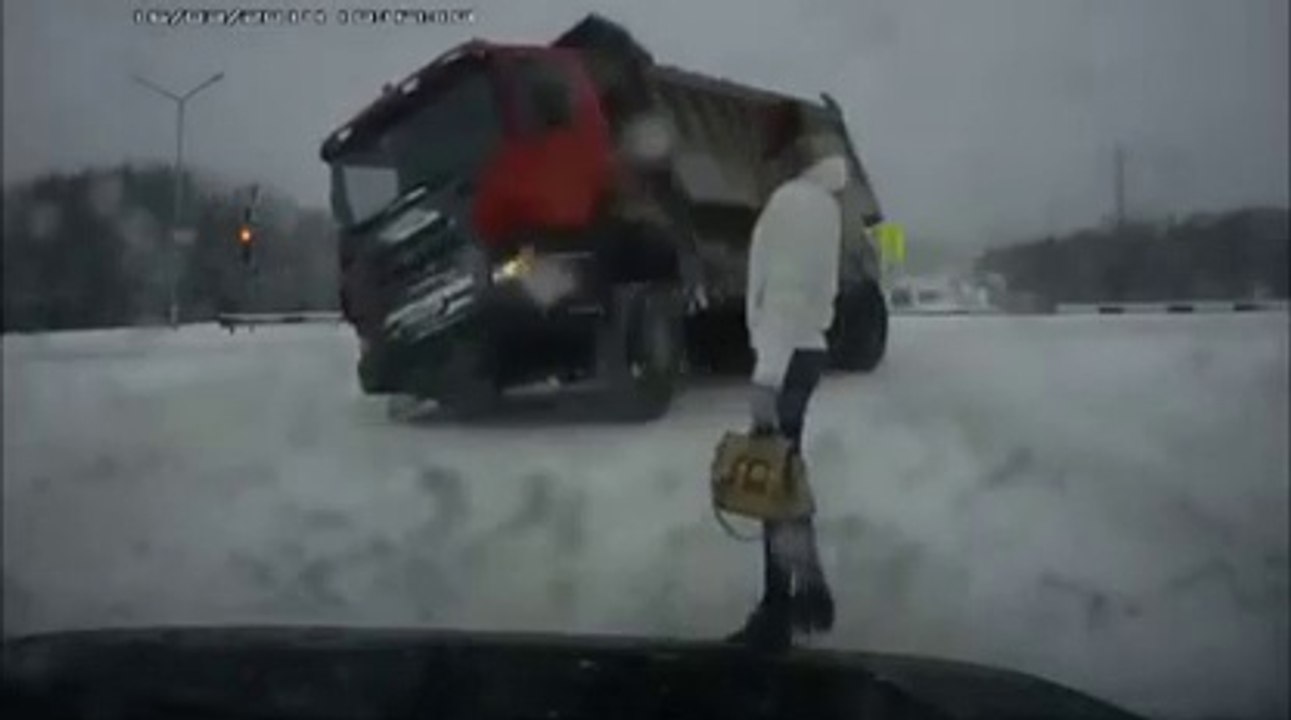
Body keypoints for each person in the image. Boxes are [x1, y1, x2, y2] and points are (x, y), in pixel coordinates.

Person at [727, 127, 848, 651]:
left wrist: (767, 377)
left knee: (772, 486)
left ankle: (777, 613)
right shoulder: (823, 204)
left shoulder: (792, 202)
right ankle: (812, 594)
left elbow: (786, 290)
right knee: (786, 476)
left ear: (783, 162)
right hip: (806, 348)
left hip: (788, 352)